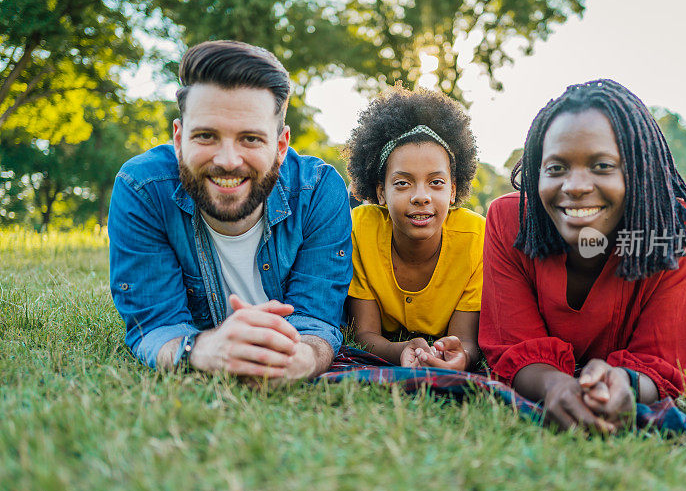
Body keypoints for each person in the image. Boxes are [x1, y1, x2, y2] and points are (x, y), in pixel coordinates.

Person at [108, 40, 352, 380]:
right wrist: (205, 350)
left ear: (280, 145)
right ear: (178, 140)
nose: (227, 161)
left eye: (250, 139)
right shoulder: (142, 188)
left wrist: (304, 359)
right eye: (206, 136)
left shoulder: (318, 191)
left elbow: (317, 318)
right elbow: (153, 324)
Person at [479, 79, 686, 432]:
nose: (574, 186)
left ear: (640, 170)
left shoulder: (677, 232)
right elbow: (513, 346)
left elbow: (663, 363)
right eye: (555, 168)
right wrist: (553, 385)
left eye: (602, 166)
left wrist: (627, 385)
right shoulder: (509, 221)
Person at [344, 86, 484, 371]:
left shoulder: (476, 239)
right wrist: (400, 350)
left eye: (436, 182)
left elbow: (465, 340)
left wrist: (462, 356)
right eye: (402, 183)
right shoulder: (361, 229)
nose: (421, 196)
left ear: (453, 191)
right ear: (381, 193)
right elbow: (365, 334)